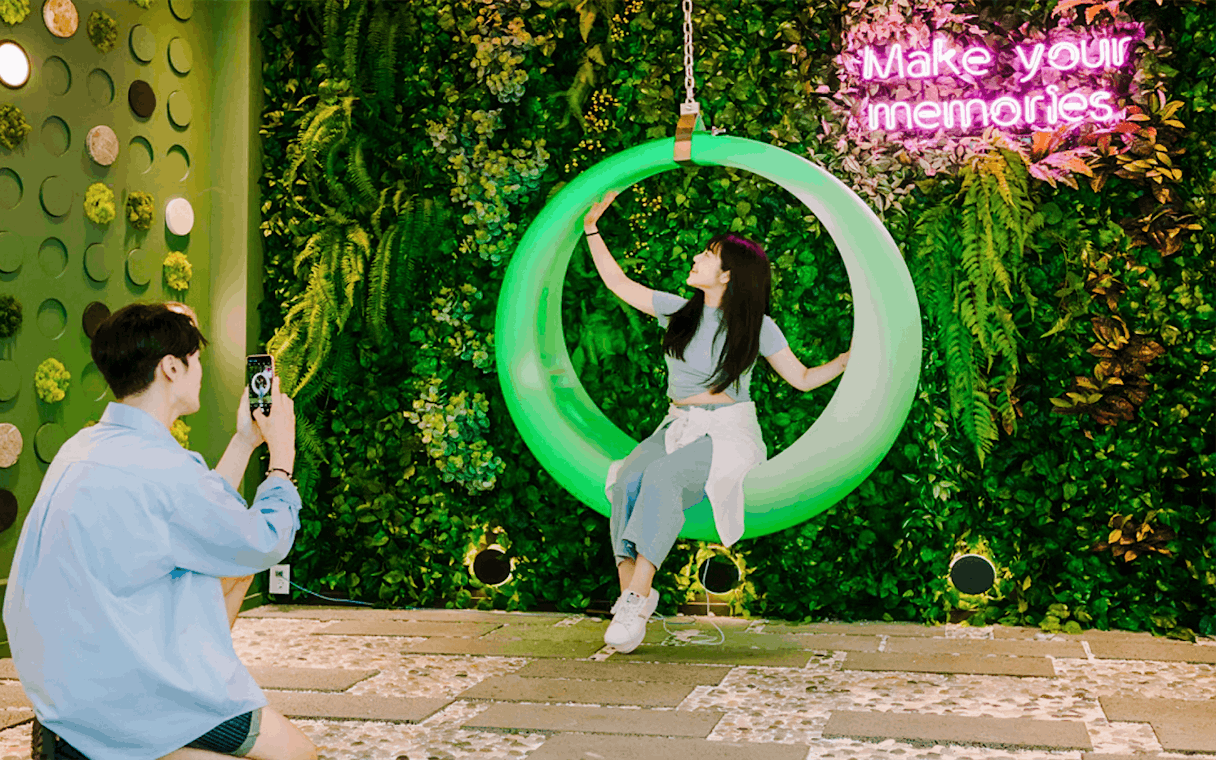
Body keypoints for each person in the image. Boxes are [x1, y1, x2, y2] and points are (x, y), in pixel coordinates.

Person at [3, 301, 317, 760]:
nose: (201, 371)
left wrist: (245, 441)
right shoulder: (164, 469)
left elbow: (203, 517)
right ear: (171, 367)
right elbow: (263, 540)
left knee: (227, 570)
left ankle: (80, 748)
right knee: (300, 754)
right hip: (139, 692)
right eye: (196, 358)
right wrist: (282, 460)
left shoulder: (83, 446)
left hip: (68, 699)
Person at [583, 192, 850, 653]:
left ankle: (633, 597)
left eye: (706, 256)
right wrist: (591, 226)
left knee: (663, 477)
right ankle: (637, 596)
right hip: (677, 425)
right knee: (625, 479)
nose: (695, 258)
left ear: (727, 275)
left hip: (726, 431)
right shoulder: (679, 310)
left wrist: (847, 360)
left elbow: (803, 379)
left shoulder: (757, 326)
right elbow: (617, 283)